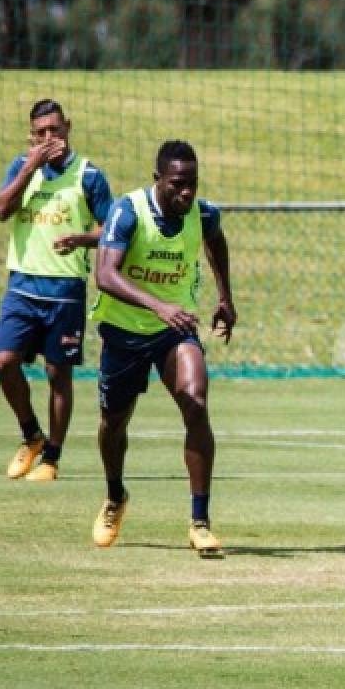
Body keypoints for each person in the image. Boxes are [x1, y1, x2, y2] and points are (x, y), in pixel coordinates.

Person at [89, 140, 236, 557]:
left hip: (176, 331)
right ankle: (115, 496)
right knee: (113, 423)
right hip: (123, 332)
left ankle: (200, 521)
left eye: (192, 183)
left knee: (195, 401)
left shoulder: (203, 213)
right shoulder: (128, 211)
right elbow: (104, 274)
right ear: (158, 180)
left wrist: (225, 296)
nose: (186, 193)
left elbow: (216, 241)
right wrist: (158, 305)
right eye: (177, 184)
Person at [0, 99, 114, 482]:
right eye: (41, 132)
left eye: (55, 130)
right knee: (3, 361)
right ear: (32, 135)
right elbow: (0, 210)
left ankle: (52, 459)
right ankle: (31, 436)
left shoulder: (88, 175)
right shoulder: (22, 168)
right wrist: (30, 166)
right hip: (22, 287)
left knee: (57, 374)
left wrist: (81, 238)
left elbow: (113, 232)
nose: (49, 138)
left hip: (65, 291)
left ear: (68, 129)